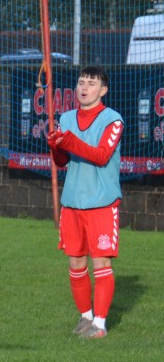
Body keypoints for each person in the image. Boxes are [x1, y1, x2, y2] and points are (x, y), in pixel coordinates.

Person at [47, 66, 123, 339]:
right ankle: (86, 317)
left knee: (101, 264)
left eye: (91, 83)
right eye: (81, 82)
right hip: (72, 203)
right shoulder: (66, 118)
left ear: (103, 90)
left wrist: (68, 141)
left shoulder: (113, 119)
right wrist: (56, 146)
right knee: (76, 265)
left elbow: (101, 155)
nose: (84, 87)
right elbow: (61, 161)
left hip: (101, 203)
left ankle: (100, 325)